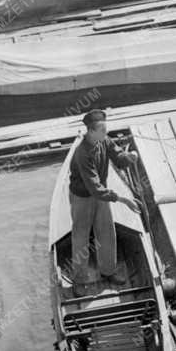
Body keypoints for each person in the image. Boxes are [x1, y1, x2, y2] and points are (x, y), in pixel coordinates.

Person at [69, 109, 141, 285]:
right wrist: (123, 199)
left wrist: (129, 157)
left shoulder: (104, 140)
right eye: (102, 130)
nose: (106, 133)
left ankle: (108, 271)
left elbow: (118, 157)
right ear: (91, 131)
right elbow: (94, 188)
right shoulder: (82, 153)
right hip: (82, 198)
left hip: (100, 194)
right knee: (81, 238)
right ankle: (80, 280)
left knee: (107, 232)